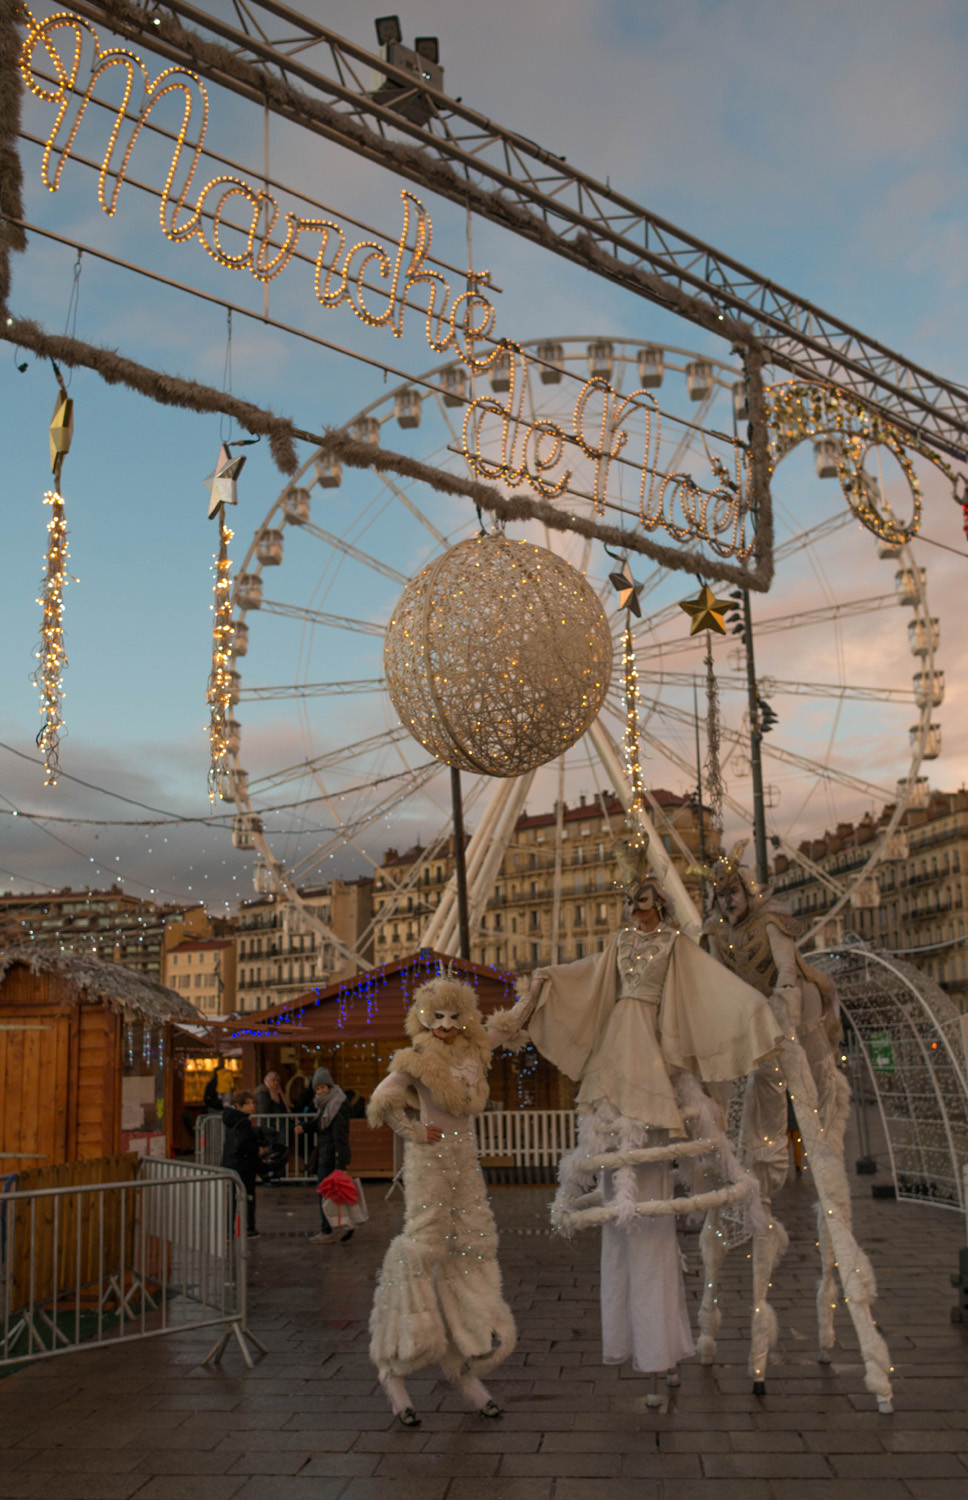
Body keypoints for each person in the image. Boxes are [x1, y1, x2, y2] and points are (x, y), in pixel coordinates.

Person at [526, 839, 780, 1380]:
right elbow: (590, 973)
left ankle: (659, 1344)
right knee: (619, 1191)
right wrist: (550, 978)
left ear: (661, 905)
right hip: (614, 1052)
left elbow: (707, 988)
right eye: (635, 902)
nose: (640, 909)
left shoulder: (674, 945)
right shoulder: (619, 943)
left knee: (649, 1195)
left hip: (653, 1054)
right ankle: (629, 1338)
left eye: (648, 901)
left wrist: (752, 1009)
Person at [366, 975, 531, 1427]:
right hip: (430, 1166)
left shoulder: (473, 1052)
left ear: (464, 1017)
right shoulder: (417, 1059)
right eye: (435, 1016)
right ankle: (396, 1359)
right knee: (424, 1249)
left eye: (452, 1016)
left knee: (472, 1249)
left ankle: (466, 1357)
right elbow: (382, 1099)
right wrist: (415, 1131)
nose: (443, 1024)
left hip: (465, 1165)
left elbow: (506, 1026)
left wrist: (535, 994)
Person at [294, 1067, 353, 1244]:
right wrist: (305, 1127)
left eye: (322, 1087)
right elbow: (320, 1124)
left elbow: (340, 1137)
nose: (320, 1091)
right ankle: (344, 1225)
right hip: (326, 1154)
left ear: (329, 1085)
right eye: (317, 1089)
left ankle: (327, 1230)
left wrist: (340, 1164)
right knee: (332, 1194)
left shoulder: (336, 1104)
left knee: (325, 1193)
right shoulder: (328, 1103)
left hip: (331, 1157)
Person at [220, 1090, 263, 1238]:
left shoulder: (230, 1120)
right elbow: (245, 1144)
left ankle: (228, 1229)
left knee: (231, 1198)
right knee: (248, 1196)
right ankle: (250, 1227)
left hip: (230, 1163)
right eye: (248, 1103)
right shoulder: (243, 1122)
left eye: (253, 1103)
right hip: (244, 1165)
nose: (252, 1106)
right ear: (239, 1105)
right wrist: (258, 1150)